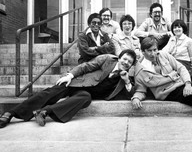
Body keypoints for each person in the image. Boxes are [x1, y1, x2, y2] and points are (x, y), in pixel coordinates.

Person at [0, 49, 137, 128]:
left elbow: (130, 94)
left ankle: (44, 112)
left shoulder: (125, 78)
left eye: (129, 62)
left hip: (84, 93)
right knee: (51, 92)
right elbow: (86, 66)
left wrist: (126, 81)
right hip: (78, 82)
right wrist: (70, 75)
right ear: (119, 58)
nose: (126, 63)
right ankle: (11, 114)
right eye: (125, 59)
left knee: (86, 98)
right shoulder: (107, 59)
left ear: (131, 65)